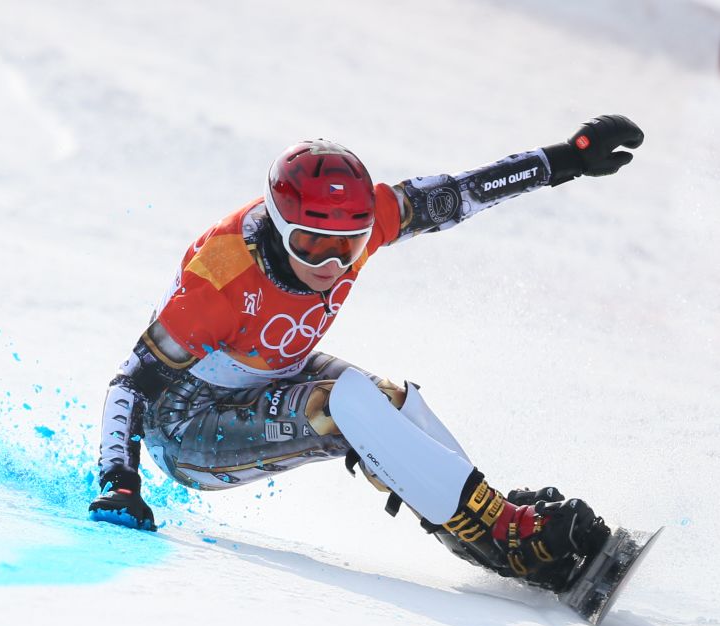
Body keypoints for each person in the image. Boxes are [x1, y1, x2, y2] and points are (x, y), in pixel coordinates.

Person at [89, 115, 644, 593]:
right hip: (188, 426)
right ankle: (504, 535)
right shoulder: (221, 278)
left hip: (268, 373)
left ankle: (493, 522)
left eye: (348, 246)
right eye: (312, 244)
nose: (331, 265)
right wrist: (119, 482)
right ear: (280, 228)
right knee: (344, 405)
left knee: (388, 404)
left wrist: (564, 159)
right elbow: (133, 383)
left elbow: (461, 191)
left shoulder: (368, 219)